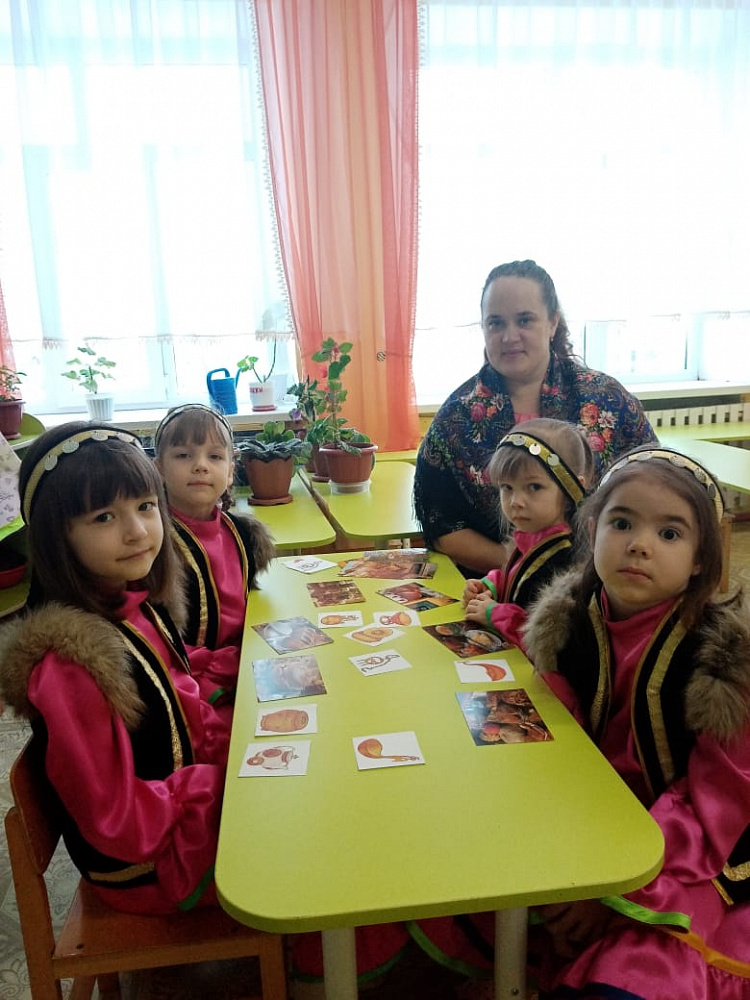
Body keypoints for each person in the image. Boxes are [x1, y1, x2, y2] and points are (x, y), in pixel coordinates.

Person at [522, 445, 750, 998]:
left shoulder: (723, 666)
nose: (639, 545)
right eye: (622, 523)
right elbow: (558, 748)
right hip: (593, 818)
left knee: (637, 971)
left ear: (701, 560)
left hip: (688, 851)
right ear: (592, 530)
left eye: (670, 533)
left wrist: (615, 885)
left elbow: (718, 802)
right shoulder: (569, 627)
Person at [0, 422, 232, 915]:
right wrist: (214, 786)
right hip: (148, 861)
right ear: (57, 537)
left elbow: (179, 697)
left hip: (175, 806)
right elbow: (115, 818)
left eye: (145, 506)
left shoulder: (133, 601)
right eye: (104, 516)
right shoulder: (71, 666)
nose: (137, 531)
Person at [413, 259, 656, 575]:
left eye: (524, 320)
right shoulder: (455, 418)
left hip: (604, 581)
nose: (509, 336)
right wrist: (525, 568)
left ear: (553, 322)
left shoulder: (608, 400)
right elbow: (442, 525)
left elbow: (654, 485)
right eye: (496, 323)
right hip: (494, 585)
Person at [153, 404, 275, 706]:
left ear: (231, 471)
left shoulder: (242, 534)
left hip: (251, 658)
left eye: (215, 456)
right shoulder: (154, 546)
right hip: (194, 683)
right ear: (159, 469)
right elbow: (159, 639)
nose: (200, 466)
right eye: (183, 455)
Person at [462, 418, 593, 650]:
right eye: (507, 487)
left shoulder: (567, 557)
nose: (516, 501)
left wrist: (494, 614)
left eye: (534, 487)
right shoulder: (531, 535)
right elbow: (519, 578)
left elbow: (550, 634)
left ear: (573, 489)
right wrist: (491, 584)